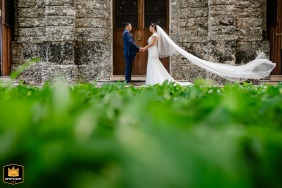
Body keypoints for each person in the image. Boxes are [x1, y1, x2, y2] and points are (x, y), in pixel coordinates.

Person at [141, 23, 276, 85]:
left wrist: (144, 48)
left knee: (155, 65)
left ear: (153, 27)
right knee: (155, 66)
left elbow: (153, 44)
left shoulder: (155, 34)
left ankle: (155, 80)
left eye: (150, 26)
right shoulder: (154, 34)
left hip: (152, 52)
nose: (149, 28)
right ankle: (153, 80)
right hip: (152, 53)